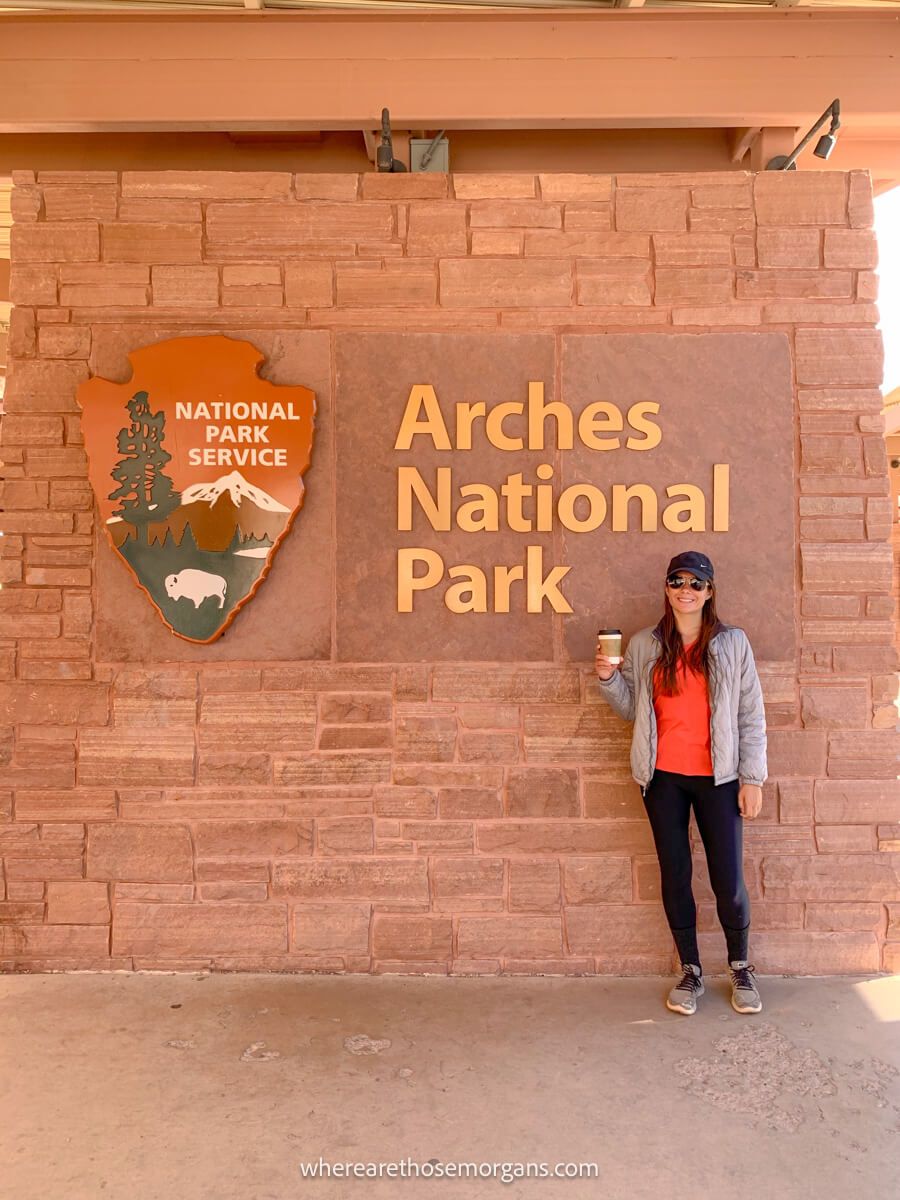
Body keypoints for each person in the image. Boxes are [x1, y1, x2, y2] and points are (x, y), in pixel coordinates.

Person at [594, 550, 767, 1017]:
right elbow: (633, 710)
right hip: (664, 778)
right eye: (677, 581)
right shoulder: (645, 644)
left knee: (727, 880)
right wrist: (610, 680)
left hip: (720, 778)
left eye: (696, 583)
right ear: (666, 587)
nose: (685, 591)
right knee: (676, 876)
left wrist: (753, 778)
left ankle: (740, 965)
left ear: (710, 592)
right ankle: (690, 970)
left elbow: (751, 713)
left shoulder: (733, 643)